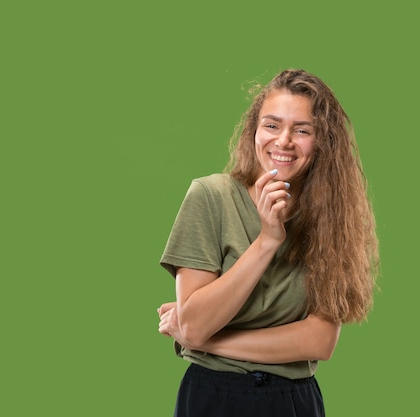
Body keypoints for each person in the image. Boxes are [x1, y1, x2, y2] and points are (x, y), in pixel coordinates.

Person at [157, 69, 379, 417]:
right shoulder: (210, 197)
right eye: (272, 125)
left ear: (323, 142)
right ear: (254, 131)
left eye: (302, 130)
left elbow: (319, 341)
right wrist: (267, 240)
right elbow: (196, 323)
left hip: (293, 400)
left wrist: (204, 341)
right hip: (212, 395)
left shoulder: (335, 218)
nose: (284, 141)